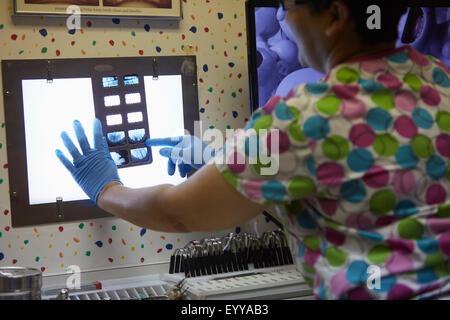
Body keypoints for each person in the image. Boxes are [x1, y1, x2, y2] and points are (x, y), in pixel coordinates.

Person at [56, 0, 450, 300]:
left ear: (333, 17)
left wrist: (106, 188)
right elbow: (353, 163)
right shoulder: (439, 78)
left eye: (287, 7)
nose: (283, 19)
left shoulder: (303, 115)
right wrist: (219, 157)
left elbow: (177, 213)